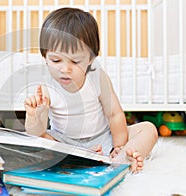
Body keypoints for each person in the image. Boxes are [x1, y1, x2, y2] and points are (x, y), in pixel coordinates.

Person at [24, 7, 158, 172]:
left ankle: (121, 159)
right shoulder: (45, 85)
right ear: (45, 56)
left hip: (103, 138)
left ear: (90, 59)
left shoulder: (97, 77)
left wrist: (119, 146)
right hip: (64, 143)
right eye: (56, 60)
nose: (65, 69)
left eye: (75, 61)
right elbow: (37, 132)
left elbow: (114, 114)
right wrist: (34, 116)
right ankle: (79, 159)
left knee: (148, 129)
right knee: (36, 142)